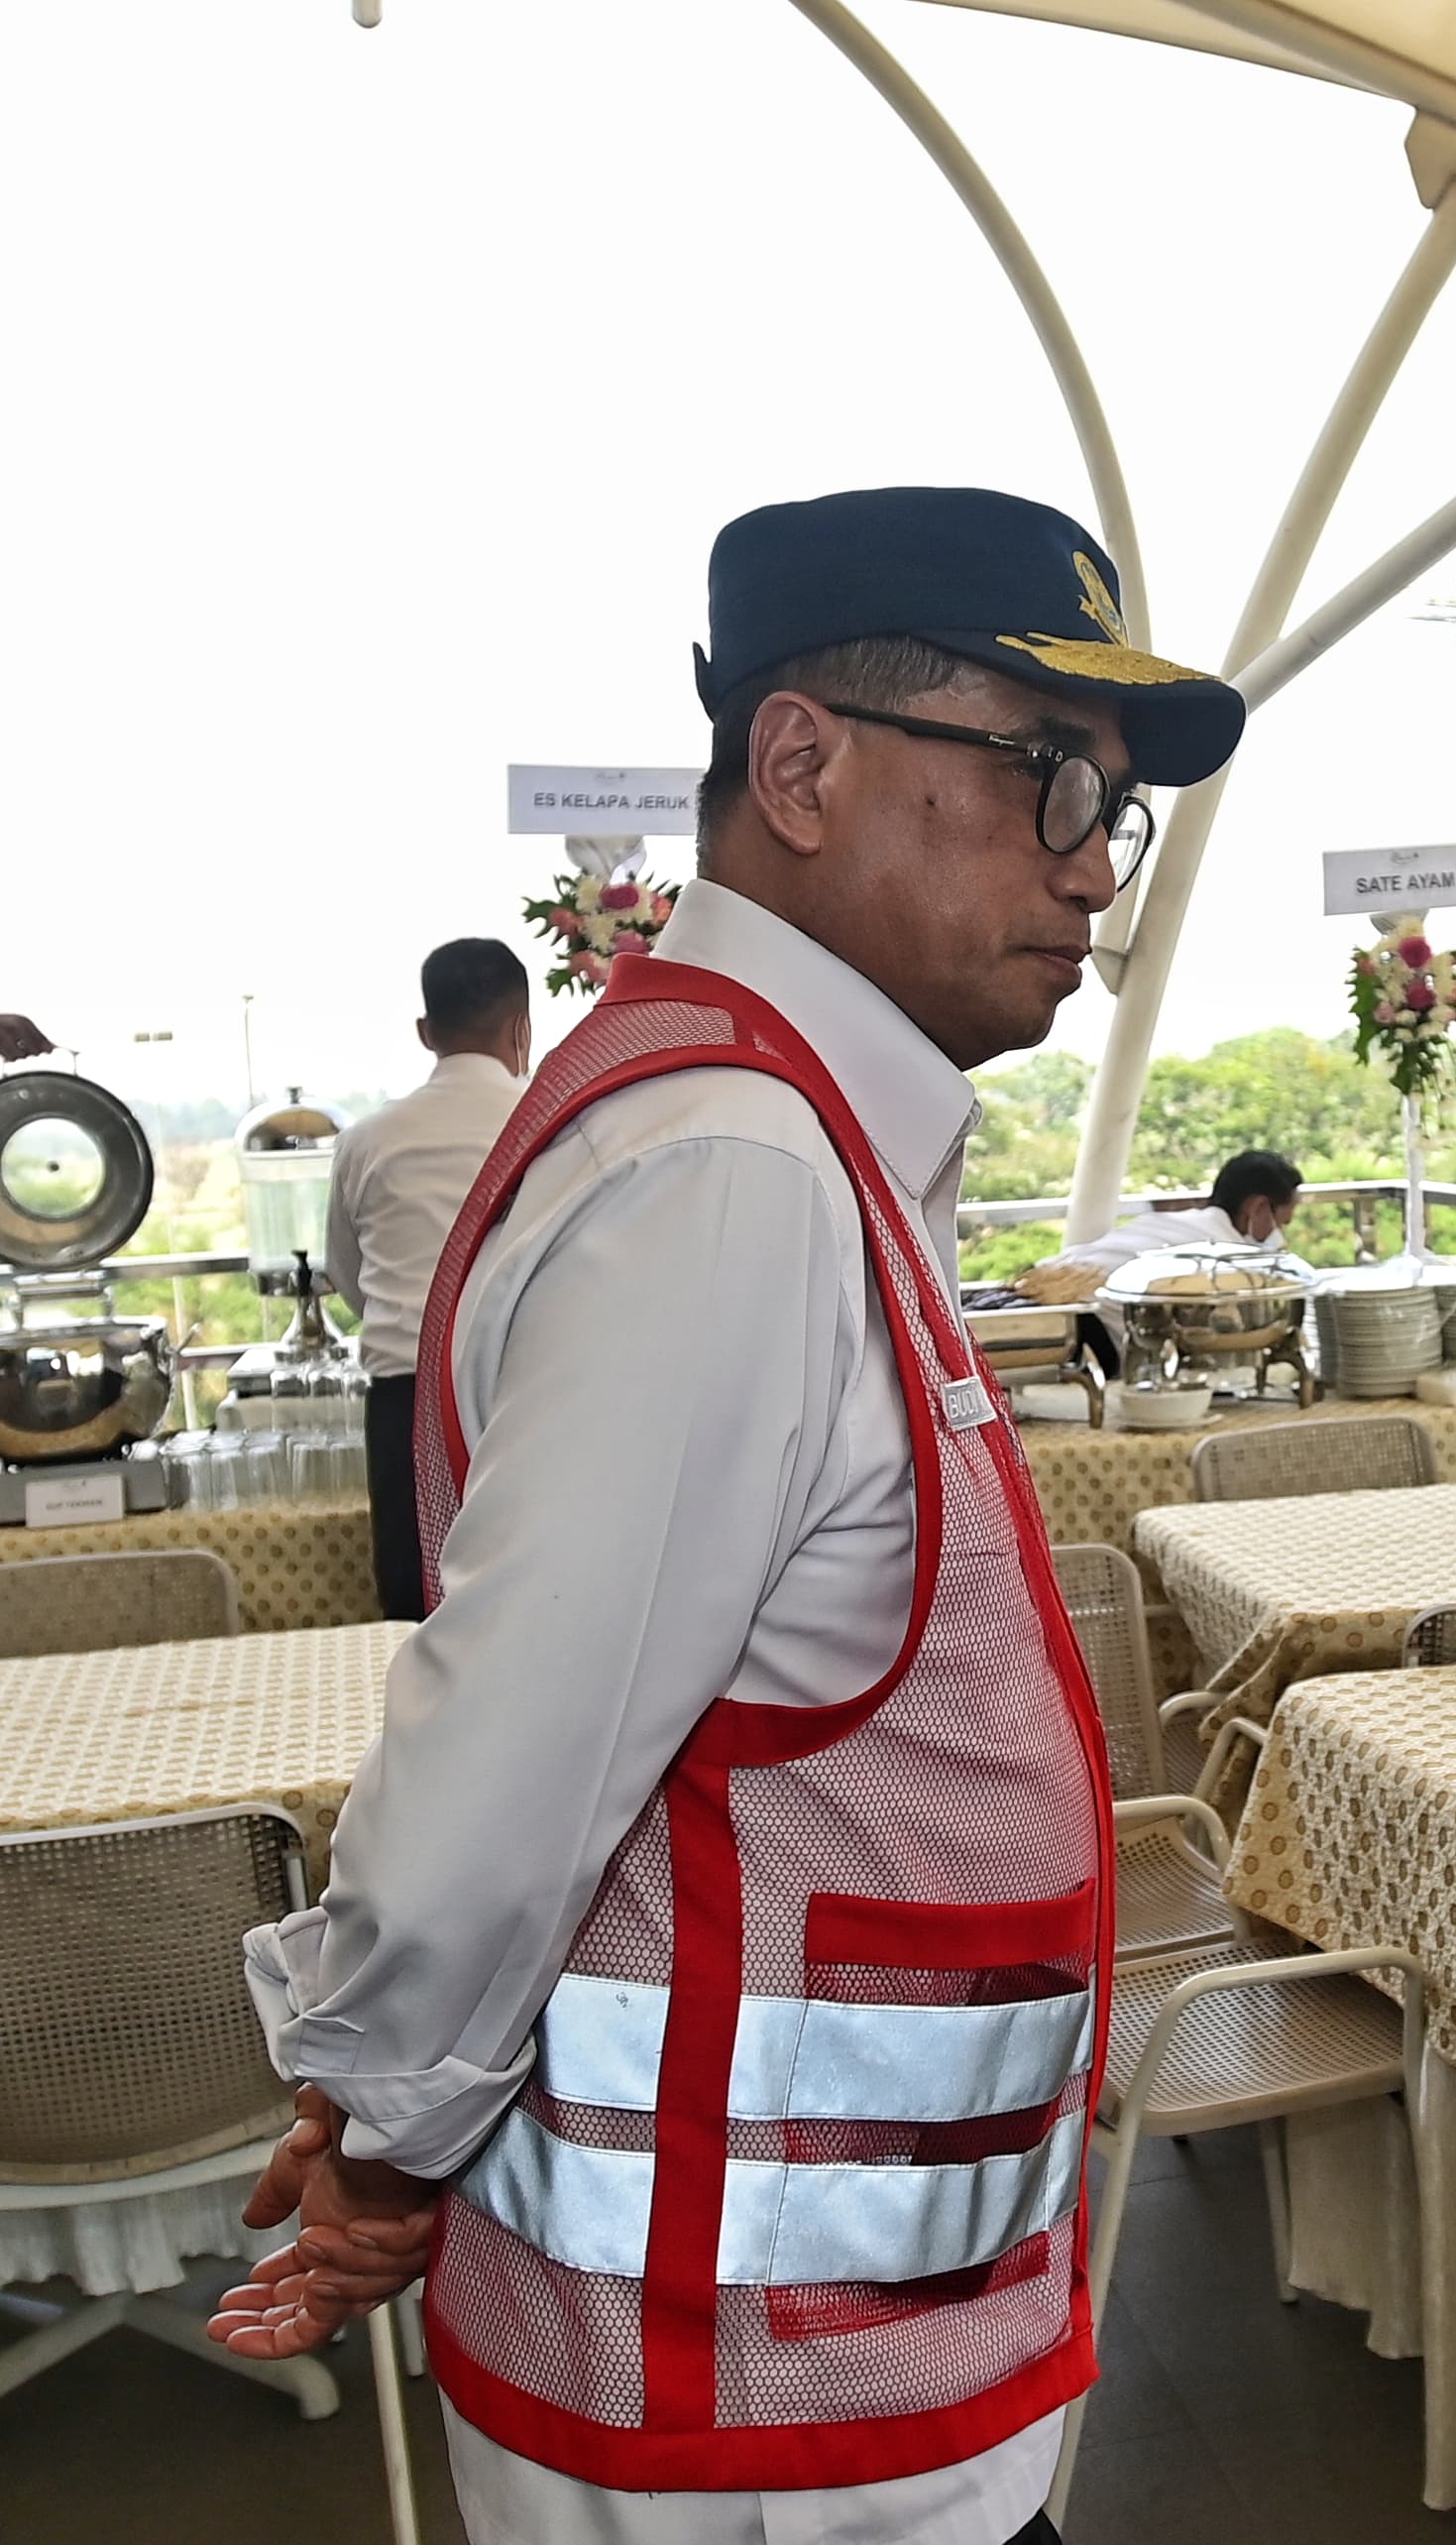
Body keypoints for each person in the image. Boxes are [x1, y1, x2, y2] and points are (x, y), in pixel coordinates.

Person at [213, 485, 1247, 2545]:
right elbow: (515, 1738)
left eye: (1109, 814)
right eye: (1052, 781)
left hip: (827, 2347)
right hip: (746, 2390)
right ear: (801, 765)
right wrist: (392, 2136)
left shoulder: (770, 1130)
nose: (1089, 873)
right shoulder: (735, 1168)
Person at [327, 937, 531, 1621]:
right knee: (522, 1594)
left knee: (415, 1606)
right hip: (521, 1387)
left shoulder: (368, 1138)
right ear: (521, 1027)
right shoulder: (549, 1122)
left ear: (425, 1031)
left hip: (403, 1397)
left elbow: (347, 1276)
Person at [1043, 1147, 1306, 1271]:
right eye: (1281, 1223)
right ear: (1258, 1206)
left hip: (1041, 1284)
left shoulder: (1181, 1223)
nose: (1279, 1235)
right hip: (1084, 1323)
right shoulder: (1226, 1260)